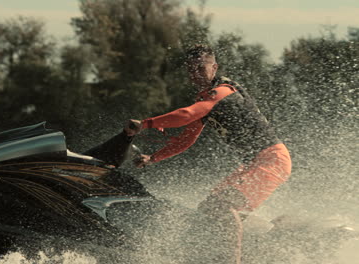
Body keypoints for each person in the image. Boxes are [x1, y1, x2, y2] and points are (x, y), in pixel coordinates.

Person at [124, 44, 291, 263]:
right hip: (255, 162)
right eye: (192, 70)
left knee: (222, 206)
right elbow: (186, 138)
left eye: (201, 68)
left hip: (271, 159)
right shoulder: (205, 100)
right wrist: (153, 158)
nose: (196, 74)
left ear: (214, 68)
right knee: (208, 209)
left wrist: (146, 124)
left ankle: (231, 260)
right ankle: (255, 248)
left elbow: (187, 114)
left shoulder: (222, 91)